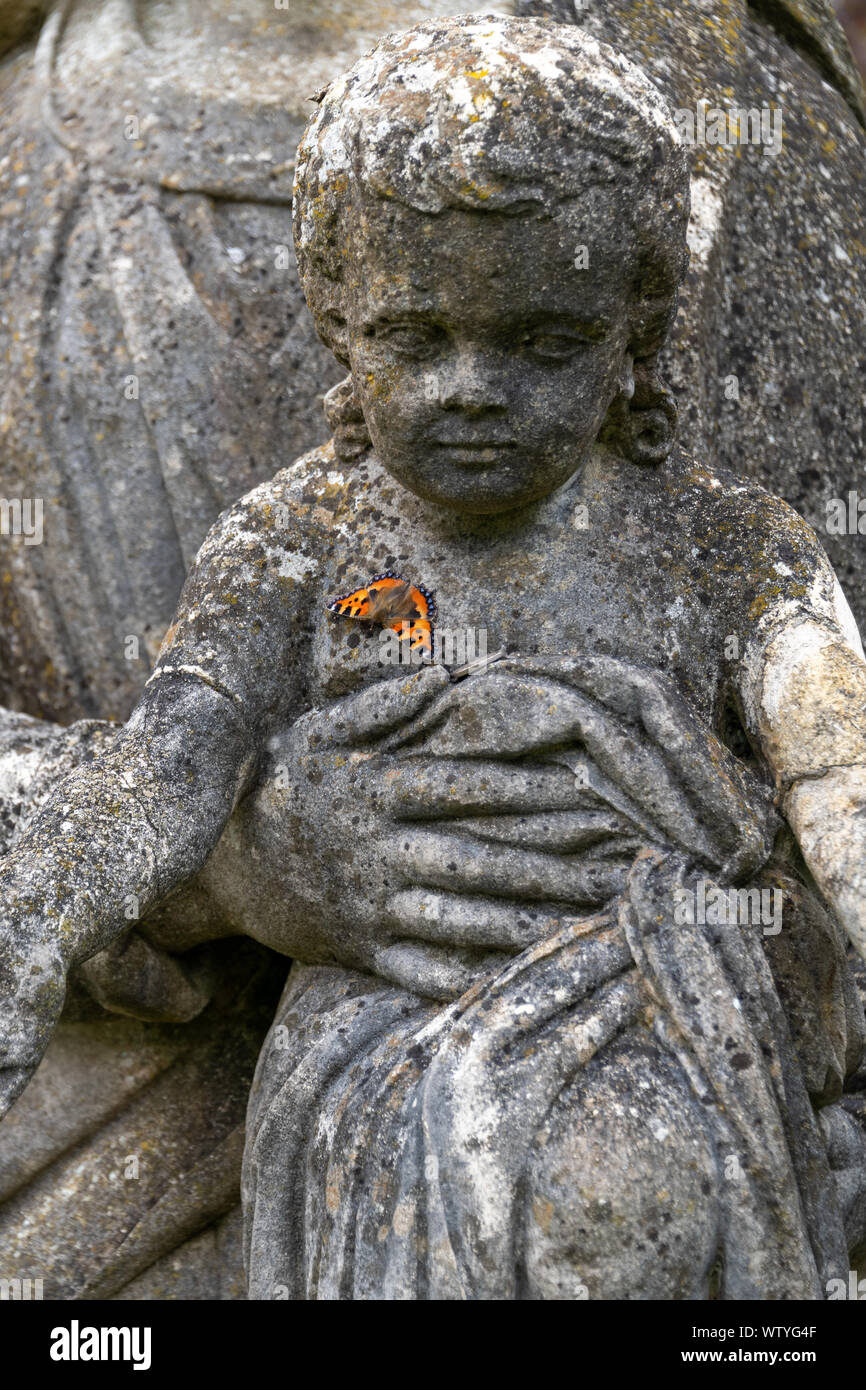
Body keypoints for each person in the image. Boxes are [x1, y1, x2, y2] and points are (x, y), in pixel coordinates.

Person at [3, 14, 866, 1298]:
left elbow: (828, 756)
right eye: (415, 339)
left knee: (635, 1207)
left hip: (676, 1018)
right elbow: (163, 764)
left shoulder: (736, 112)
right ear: (341, 325)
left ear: (632, 332)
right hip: (269, 1080)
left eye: (540, 343)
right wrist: (204, 867)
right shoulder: (297, 533)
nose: (471, 390)